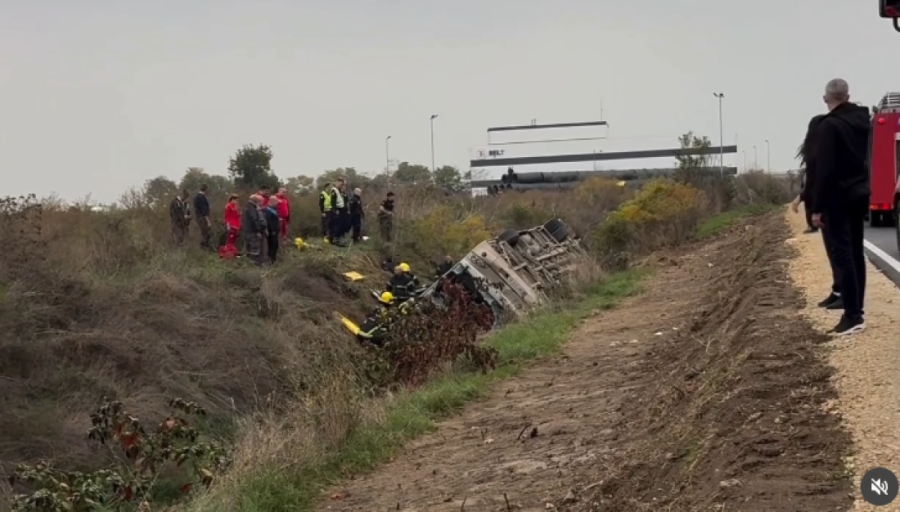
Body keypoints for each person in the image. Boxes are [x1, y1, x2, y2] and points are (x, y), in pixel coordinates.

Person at [810, 78, 871, 335]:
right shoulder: (862, 122)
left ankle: (852, 315)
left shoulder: (829, 126)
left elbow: (825, 170)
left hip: (837, 198)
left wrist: (816, 207)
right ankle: (857, 308)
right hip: (858, 193)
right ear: (847, 96)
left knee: (842, 254)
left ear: (827, 98)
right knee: (856, 253)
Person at [794, 114, 842, 309]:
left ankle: (843, 293)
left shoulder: (826, 153)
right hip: (825, 206)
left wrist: (816, 210)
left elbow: (819, 183)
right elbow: (812, 184)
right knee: (833, 252)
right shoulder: (817, 153)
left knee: (838, 253)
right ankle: (838, 290)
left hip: (831, 207)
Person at [242, 194, 266, 265]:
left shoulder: (246, 207)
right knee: (255, 249)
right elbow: (254, 220)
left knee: (249, 248)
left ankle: (248, 263)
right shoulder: (252, 208)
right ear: (255, 200)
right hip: (252, 231)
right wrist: (258, 231)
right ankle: (256, 264)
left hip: (247, 231)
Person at [329, 179, 348, 246]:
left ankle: (338, 239)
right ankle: (335, 240)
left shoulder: (339, 191)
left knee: (341, 225)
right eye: (340, 183)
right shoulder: (334, 190)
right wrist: (335, 210)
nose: (341, 185)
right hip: (337, 210)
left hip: (342, 209)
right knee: (336, 226)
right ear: (336, 183)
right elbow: (333, 201)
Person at [193, 184, 212, 250]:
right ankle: (204, 248)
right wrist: (208, 221)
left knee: (204, 232)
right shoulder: (201, 197)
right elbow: (204, 210)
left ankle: (203, 248)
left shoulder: (196, 197)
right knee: (205, 233)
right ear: (206, 189)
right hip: (202, 218)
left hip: (198, 217)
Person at [264, 196, 281, 263]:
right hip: (272, 232)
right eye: (276, 202)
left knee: (275, 246)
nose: (277, 204)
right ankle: (271, 260)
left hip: (275, 231)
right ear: (272, 202)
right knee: (272, 246)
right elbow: (269, 222)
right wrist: (273, 230)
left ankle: (273, 259)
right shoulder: (267, 210)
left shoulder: (273, 210)